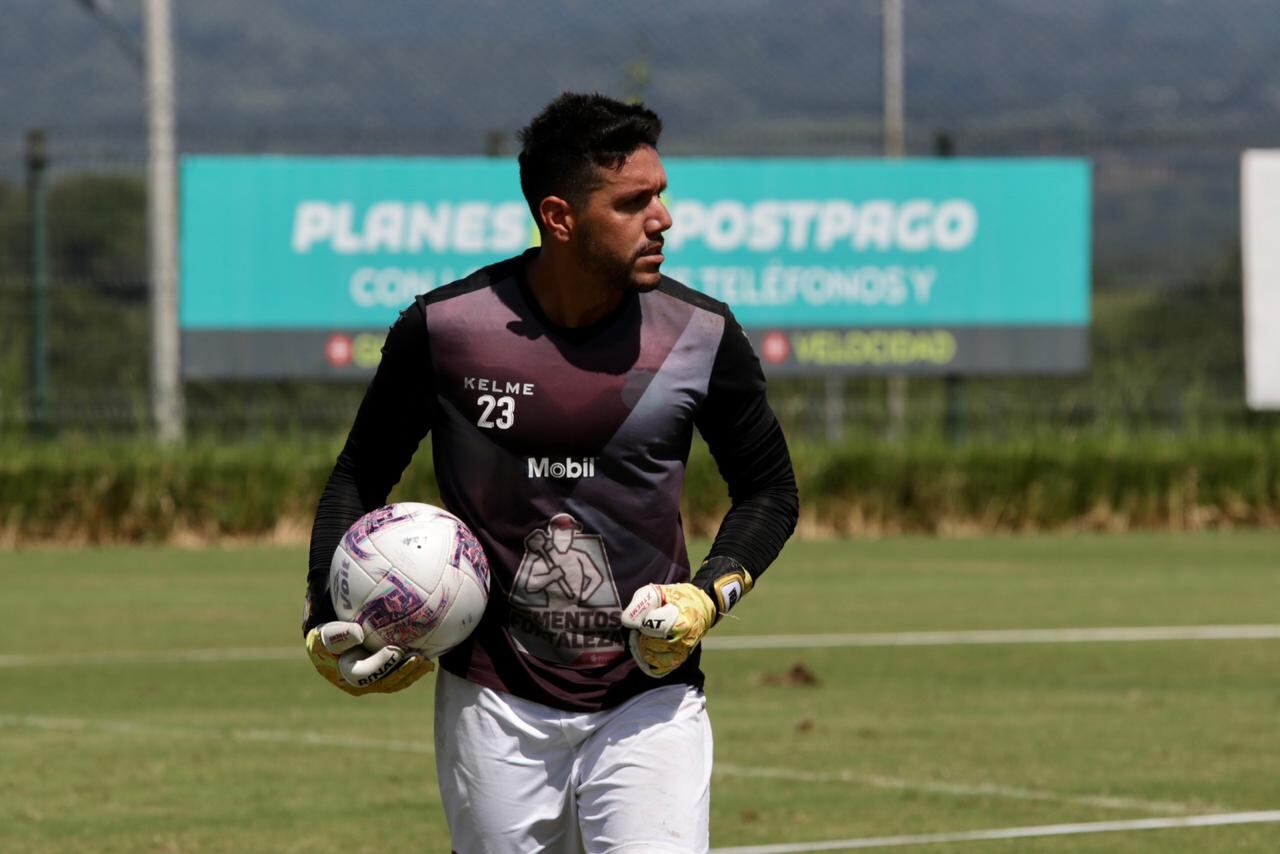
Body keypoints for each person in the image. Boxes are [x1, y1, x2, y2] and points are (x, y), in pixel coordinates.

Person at [302, 91, 799, 853]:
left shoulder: (701, 335)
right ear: (560, 217)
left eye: (661, 195)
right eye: (634, 202)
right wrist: (323, 618)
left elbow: (770, 490)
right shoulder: (446, 330)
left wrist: (709, 593)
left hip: (650, 699)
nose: (662, 219)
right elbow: (359, 476)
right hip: (492, 703)